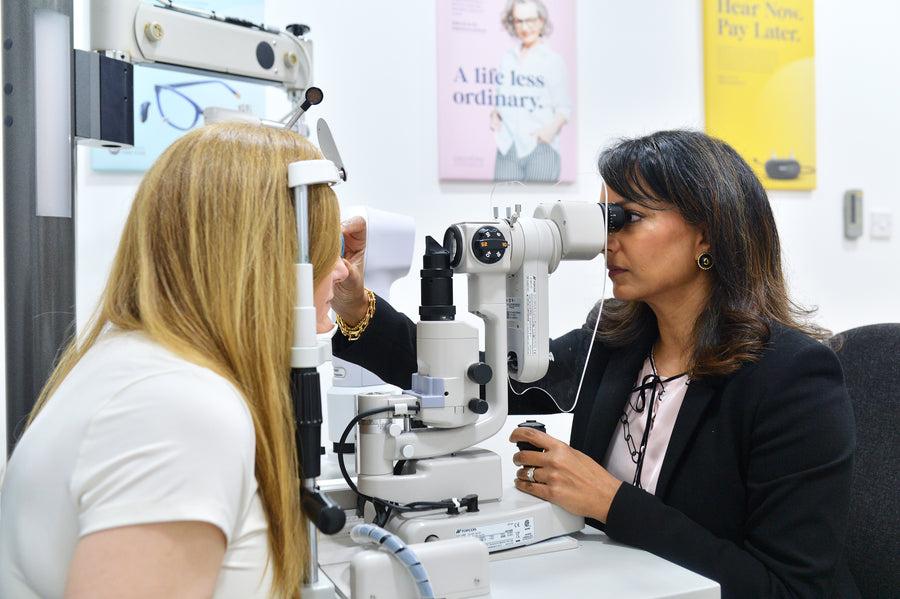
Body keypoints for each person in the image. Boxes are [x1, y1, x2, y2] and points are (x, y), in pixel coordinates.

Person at [331, 130, 859, 598]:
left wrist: (611, 502)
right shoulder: (614, 339)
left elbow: (788, 587)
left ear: (707, 234)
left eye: (625, 218)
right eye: (601, 219)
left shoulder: (792, 379)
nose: (605, 241)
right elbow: (481, 378)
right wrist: (357, 305)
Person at [0, 122, 349, 599]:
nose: (344, 268)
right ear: (267, 260)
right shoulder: (179, 410)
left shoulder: (137, 364)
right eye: (325, 246)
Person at [491, 0, 572, 182]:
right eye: (519, 21)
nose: (525, 27)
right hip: (508, 146)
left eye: (530, 20)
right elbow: (504, 99)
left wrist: (549, 132)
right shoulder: (507, 58)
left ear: (541, 21)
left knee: (541, 206)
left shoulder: (553, 61)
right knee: (501, 204)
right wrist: (496, 114)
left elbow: (564, 108)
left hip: (540, 147)